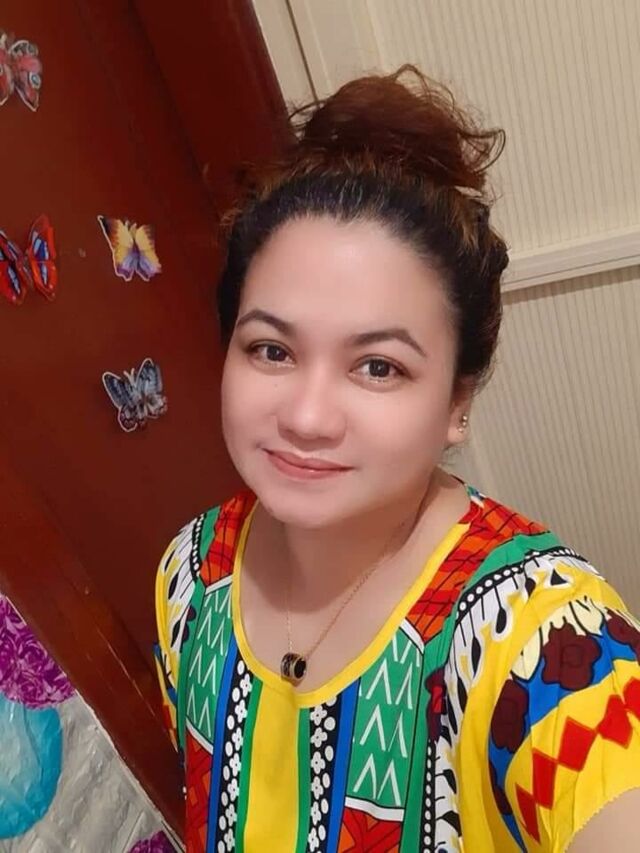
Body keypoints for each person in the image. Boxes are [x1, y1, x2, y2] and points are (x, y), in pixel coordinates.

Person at [154, 66, 640, 852]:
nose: (306, 416)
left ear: (456, 402)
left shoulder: (540, 634)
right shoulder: (188, 573)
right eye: (271, 349)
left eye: (378, 366)